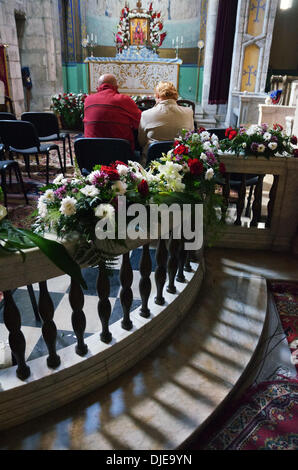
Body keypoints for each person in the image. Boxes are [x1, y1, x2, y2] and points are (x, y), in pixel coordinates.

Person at [137, 81, 194, 164]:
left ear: (157, 96)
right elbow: (190, 138)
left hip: (151, 164)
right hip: (179, 164)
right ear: (175, 96)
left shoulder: (146, 114)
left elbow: (141, 142)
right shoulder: (189, 112)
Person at [83, 74, 141, 152]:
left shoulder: (88, 100)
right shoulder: (124, 100)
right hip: (120, 154)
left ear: (98, 86)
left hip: (92, 152)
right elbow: (140, 122)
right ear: (116, 86)